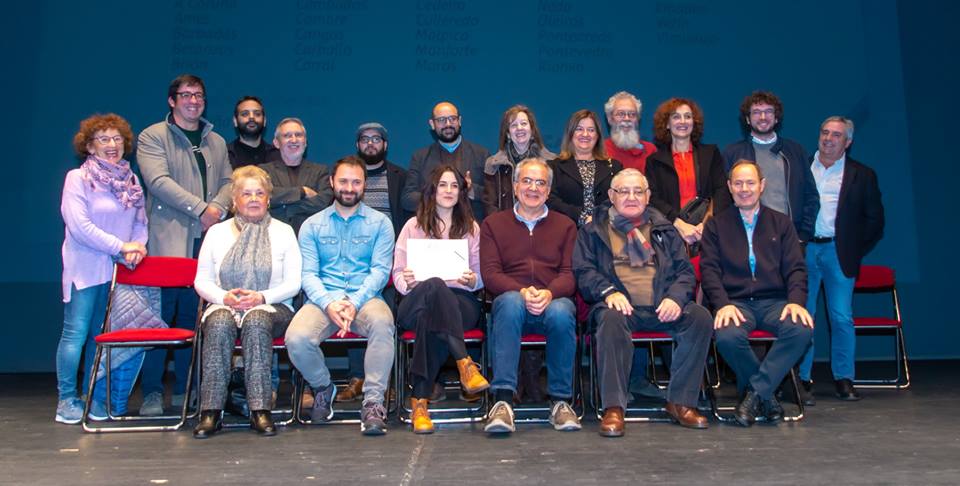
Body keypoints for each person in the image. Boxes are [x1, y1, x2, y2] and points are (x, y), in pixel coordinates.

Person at [574, 169, 713, 436]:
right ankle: (614, 407)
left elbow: (684, 272)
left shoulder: (664, 229)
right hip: (619, 306)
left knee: (700, 317)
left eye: (638, 191)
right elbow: (583, 271)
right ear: (612, 196)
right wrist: (608, 291)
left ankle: (680, 402)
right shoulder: (593, 230)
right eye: (624, 191)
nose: (631, 197)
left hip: (661, 305)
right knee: (610, 318)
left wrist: (675, 297)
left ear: (648, 196)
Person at [137, 74, 233, 416]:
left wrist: (219, 208)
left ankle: (185, 390)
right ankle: (151, 392)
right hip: (169, 243)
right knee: (161, 320)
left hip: (206, 244)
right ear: (172, 100)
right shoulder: (153, 136)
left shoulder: (216, 141)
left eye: (199, 96)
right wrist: (201, 209)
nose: (194, 101)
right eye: (186, 95)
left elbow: (228, 181)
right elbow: (158, 182)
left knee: (194, 322)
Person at [285, 156, 395, 436]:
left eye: (356, 182)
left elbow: (381, 271)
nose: (349, 187)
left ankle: (373, 402)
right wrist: (329, 303)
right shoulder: (312, 225)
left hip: (366, 298)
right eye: (343, 181)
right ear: (332, 182)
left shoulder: (381, 224)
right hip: (323, 299)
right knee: (296, 338)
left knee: (383, 324)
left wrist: (354, 303)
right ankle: (323, 387)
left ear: (364, 186)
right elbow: (308, 274)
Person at [701, 160, 814, 427]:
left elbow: (797, 269)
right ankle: (768, 396)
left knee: (801, 330)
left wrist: (797, 302)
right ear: (729, 187)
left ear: (761, 186)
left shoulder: (782, 223)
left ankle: (755, 394)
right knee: (727, 336)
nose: (744, 189)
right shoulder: (716, 226)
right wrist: (722, 304)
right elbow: (709, 272)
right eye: (738, 183)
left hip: (776, 301)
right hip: (736, 303)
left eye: (750, 182)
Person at [192, 166, 302, 438]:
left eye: (259, 193)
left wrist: (261, 297)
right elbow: (201, 281)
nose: (253, 199)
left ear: (268, 199)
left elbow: (293, 283)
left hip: (273, 306)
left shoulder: (284, 231)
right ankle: (211, 412)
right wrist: (223, 297)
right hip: (224, 304)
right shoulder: (216, 233)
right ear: (234, 201)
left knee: (256, 320)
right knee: (218, 322)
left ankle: (260, 410)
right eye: (246, 193)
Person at [56, 114, 148, 424]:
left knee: (104, 335)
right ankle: (67, 400)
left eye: (117, 139)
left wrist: (138, 246)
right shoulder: (77, 179)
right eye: (104, 140)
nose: (112, 145)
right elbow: (80, 226)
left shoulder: (130, 180)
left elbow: (139, 222)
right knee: (76, 334)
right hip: (85, 269)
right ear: (90, 146)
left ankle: (93, 398)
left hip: (118, 272)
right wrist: (121, 247)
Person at [480, 158, 580, 434]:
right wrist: (521, 291)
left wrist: (549, 293)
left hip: (553, 299)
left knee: (562, 311)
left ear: (548, 191)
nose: (533, 188)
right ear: (514, 187)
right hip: (511, 303)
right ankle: (502, 402)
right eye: (526, 181)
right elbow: (490, 274)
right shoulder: (493, 224)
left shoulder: (566, 225)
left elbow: (571, 274)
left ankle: (560, 402)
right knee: (511, 302)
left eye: (540, 183)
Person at [392, 165, 489, 433]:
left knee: (432, 318)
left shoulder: (471, 228)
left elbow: (481, 276)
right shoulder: (412, 226)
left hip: (460, 301)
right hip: (416, 298)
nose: (448, 191)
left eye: (455, 185)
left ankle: (419, 403)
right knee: (433, 286)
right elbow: (397, 274)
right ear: (432, 190)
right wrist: (407, 281)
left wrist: (473, 280)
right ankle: (464, 363)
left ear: (461, 191)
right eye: (443, 185)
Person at [797, 116, 885, 402]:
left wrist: (853, 248)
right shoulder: (800, 168)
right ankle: (802, 377)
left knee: (841, 317)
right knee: (801, 317)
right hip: (805, 250)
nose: (828, 138)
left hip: (839, 252)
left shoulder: (863, 175)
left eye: (836, 135)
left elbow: (875, 220)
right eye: (824, 132)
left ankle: (844, 377)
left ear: (848, 142)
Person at [337, 122, 407, 403]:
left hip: (388, 260)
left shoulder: (400, 176)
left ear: (385, 145)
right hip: (351, 261)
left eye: (376, 139)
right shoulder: (346, 178)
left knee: (383, 317)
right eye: (364, 139)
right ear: (358, 145)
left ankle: (383, 381)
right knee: (350, 309)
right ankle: (357, 378)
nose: (370, 144)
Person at [722, 91, 819, 242]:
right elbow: (724, 199)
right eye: (756, 112)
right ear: (747, 119)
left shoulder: (795, 152)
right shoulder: (733, 153)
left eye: (768, 112)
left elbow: (810, 196)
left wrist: (804, 234)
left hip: (789, 238)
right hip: (746, 238)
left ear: (776, 118)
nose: (762, 117)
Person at [645, 98, 730, 247]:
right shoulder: (654, 161)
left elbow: (722, 190)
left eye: (688, 116)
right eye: (676, 117)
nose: (683, 121)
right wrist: (679, 224)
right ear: (667, 124)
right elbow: (652, 198)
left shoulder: (710, 154)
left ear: (694, 122)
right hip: (670, 234)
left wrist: (706, 225)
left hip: (707, 233)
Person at [403, 101, 489, 220]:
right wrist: (437, 195)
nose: (448, 124)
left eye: (452, 118)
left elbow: (492, 196)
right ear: (432, 124)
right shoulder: (420, 157)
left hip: (471, 229)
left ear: (459, 121)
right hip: (430, 230)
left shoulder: (482, 154)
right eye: (441, 120)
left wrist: (470, 190)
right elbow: (407, 199)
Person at [547, 109, 624, 226]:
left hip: (608, 232)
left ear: (597, 135)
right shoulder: (554, 167)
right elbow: (551, 200)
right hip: (569, 232)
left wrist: (599, 219)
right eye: (579, 129)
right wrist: (581, 217)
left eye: (591, 130)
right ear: (571, 133)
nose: (585, 134)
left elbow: (621, 198)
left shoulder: (615, 167)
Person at [260, 117, 332, 234]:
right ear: (276, 143)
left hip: (311, 238)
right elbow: (265, 197)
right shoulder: (264, 171)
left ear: (305, 141)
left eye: (298, 135)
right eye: (287, 136)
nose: (294, 140)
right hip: (274, 237)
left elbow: (323, 203)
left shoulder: (320, 171)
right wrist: (301, 192)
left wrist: (285, 207)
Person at [482, 105, 557, 216]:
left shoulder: (552, 162)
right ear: (508, 133)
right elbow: (489, 204)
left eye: (523, 123)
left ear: (532, 130)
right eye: (514, 125)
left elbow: (555, 201)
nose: (519, 128)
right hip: (505, 227)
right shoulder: (493, 164)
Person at [603, 91, 657, 174]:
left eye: (632, 114)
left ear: (638, 119)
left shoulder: (650, 150)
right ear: (610, 118)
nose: (627, 118)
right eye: (621, 114)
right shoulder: (600, 150)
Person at [227, 96, 281, 169]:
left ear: (264, 121)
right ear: (235, 121)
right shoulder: (226, 155)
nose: (251, 117)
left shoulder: (277, 156)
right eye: (245, 114)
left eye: (257, 114)